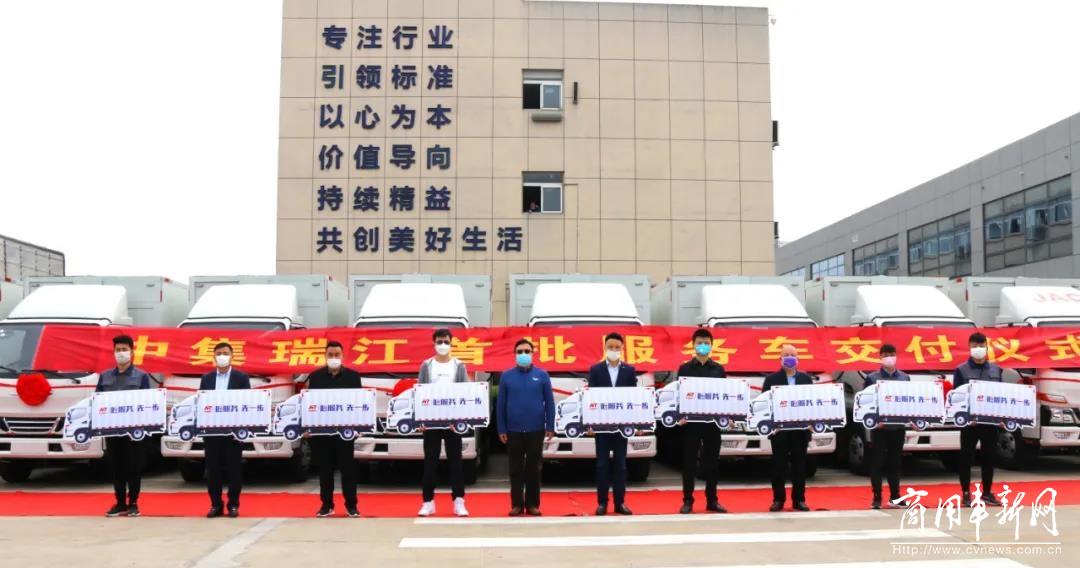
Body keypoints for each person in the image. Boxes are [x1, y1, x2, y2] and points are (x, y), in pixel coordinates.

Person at [497, 339, 556, 516]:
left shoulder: (542, 375)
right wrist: (501, 428)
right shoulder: (506, 376)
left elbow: (550, 403)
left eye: (527, 351)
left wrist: (550, 425)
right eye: (520, 352)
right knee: (515, 469)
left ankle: (532, 504)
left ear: (532, 353)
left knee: (534, 468)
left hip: (536, 429)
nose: (523, 354)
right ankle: (517, 504)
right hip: (513, 430)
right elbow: (500, 405)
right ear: (515, 354)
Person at [306, 340, 364, 518]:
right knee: (325, 470)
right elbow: (309, 404)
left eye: (336, 354)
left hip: (345, 432)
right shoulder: (316, 377)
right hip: (322, 433)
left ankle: (351, 505)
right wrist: (308, 427)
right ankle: (326, 505)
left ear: (342, 356)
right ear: (325, 356)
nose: (333, 358)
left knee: (348, 470)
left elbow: (359, 403)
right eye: (330, 355)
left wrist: (359, 425)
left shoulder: (353, 377)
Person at [98, 334, 154, 518]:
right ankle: (120, 502)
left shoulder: (142, 376)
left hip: (134, 432)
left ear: (132, 352)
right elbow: (98, 401)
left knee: (133, 467)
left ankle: (133, 502)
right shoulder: (105, 376)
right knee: (116, 467)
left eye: (124, 350)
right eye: (118, 350)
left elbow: (148, 403)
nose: (121, 353)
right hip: (112, 430)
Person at [417, 328, 471, 518]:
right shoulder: (427, 365)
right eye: (439, 341)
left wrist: (462, 419)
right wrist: (421, 419)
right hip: (431, 422)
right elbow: (420, 391)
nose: (443, 345)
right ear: (434, 343)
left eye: (446, 341)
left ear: (451, 343)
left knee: (456, 462)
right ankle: (428, 502)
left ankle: (459, 502)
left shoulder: (459, 366)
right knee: (430, 463)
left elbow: (465, 393)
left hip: (453, 423)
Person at [674, 328, 728, 514]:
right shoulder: (685, 369)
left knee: (712, 463)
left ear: (711, 346)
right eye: (699, 343)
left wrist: (728, 415)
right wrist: (679, 415)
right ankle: (687, 500)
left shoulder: (719, 369)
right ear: (693, 345)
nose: (703, 346)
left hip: (712, 423)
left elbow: (724, 396)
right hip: (691, 424)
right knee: (689, 463)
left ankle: (712, 500)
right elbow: (679, 395)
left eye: (706, 343)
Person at [587, 332, 637, 516]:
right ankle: (602, 503)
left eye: (617, 347)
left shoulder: (629, 371)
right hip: (601, 426)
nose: (614, 350)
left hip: (621, 427)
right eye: (610, 347)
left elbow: (634, 398)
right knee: (602, 465)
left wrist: (635, 423)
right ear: (605, 348)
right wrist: (590, 423)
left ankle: (620, 503)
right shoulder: (596, 370)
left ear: (622, 349)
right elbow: (591, 398)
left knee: (620, 465)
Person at [200, 342, 251, 518]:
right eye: (219, 353)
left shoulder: (241, 378)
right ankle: (215, 504)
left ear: (232, 356)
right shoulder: (207, 378)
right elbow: (202, 402)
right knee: (212, 470)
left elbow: (246, 403)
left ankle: (233, 505)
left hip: (233, 432)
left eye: (225, 353)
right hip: (212, 431)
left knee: (234, 469)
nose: (222, 356)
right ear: (214, 356)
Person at [953, 332, 1004, 507]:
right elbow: (956, 397)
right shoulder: (961, 370)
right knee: (966, 458)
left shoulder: (996, 370)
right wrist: (966, 416)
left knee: (989, 458)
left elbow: (1001, 396)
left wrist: (1002, 417)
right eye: (975, 346)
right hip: (970, 423)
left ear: (987, 347)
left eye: (981, 346)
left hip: (990, 422)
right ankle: (966, 494)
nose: (978, 349)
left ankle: (987, 493)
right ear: (969, 347)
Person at [763, 344, 813, 512]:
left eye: (793, 355)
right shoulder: (771, 380)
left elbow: (812, 403)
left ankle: (799, 500)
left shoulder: (806, 379)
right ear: (780, 358)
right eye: (786, 355)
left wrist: (812, 423)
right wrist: (771, 425)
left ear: (798, 359)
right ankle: (778, 499)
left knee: (800, 466)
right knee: (779, 466)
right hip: (780, 431)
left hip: (800, 431)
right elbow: (765, 405)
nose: (790, 358)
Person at [863, 344, 910, 510]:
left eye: (892, 354)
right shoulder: (872, 378)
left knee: (895, 463)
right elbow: (866, 402)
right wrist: (875, 420)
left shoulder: (904, 378)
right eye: (885, 355)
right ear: (880, 357)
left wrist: (912, 418)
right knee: (877, 462)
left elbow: (909, 401)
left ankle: (895, 497)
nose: (889, 358)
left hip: (898, 427)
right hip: (880, 428)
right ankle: (876, 497)